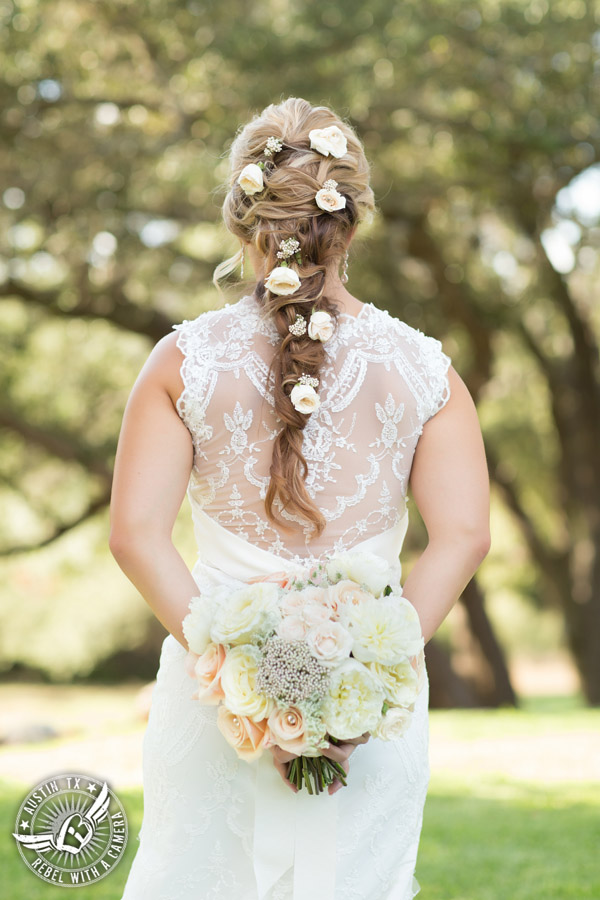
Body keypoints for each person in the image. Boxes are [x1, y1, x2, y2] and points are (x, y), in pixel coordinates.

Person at [110, 97, 490, 900]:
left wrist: (233, 674)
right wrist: (371, 674)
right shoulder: (428, 371)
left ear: (243, 223)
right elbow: (462, 537)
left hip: (213, 702)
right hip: (373, 707)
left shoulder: (181, 362)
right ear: (351, 223)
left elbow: (137, 536)